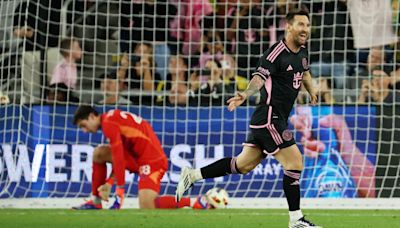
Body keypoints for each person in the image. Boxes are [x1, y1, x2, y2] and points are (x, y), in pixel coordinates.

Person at [175, 9, 321, 228]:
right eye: (301, 24)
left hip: (272, 119)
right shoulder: (274, 53)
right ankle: (296, 221)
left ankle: (192, 175)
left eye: (307, 25)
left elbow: (305, 72)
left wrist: (312, 90)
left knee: (242, 165)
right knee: (295, 162)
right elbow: (259, 78)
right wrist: (245, 94)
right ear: (288, 26)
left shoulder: (302, 52)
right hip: (270, 118)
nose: (305, 30)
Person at [72, 106, 212, 209]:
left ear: (91, 116)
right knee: (99, 153)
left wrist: (119, 192)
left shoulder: (109, 123)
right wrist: (109, 183)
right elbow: (119, 155)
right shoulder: (111, 118)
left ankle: (195, 202)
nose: (85, 130)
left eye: (83, 125)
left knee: (147, 204)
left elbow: (119, 157)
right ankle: (96, 201)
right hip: (138, 158)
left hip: (152, 161)